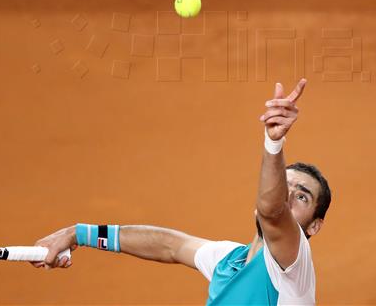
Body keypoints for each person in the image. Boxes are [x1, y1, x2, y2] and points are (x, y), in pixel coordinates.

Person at [32, 78, 332, 305]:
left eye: (302, 196)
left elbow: (273, 210)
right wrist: (77, 234)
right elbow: (169, 245)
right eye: (284, 183)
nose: (286, 195)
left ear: (314, 225)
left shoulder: (293, 266)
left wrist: (273, 144)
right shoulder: (229, 259)